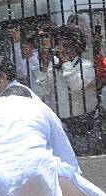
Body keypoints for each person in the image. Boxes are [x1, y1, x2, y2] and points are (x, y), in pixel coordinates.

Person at [36, 26, 100, 155]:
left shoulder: (86, 65)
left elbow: (76, 86)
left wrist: (65, 62)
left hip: (85, 122)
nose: (60, 49)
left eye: (64, 45)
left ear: (74, 47)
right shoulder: (53, 66)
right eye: (58, 45)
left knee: (88, 160)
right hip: (62, 124)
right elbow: (42, 91)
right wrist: (44, 67)